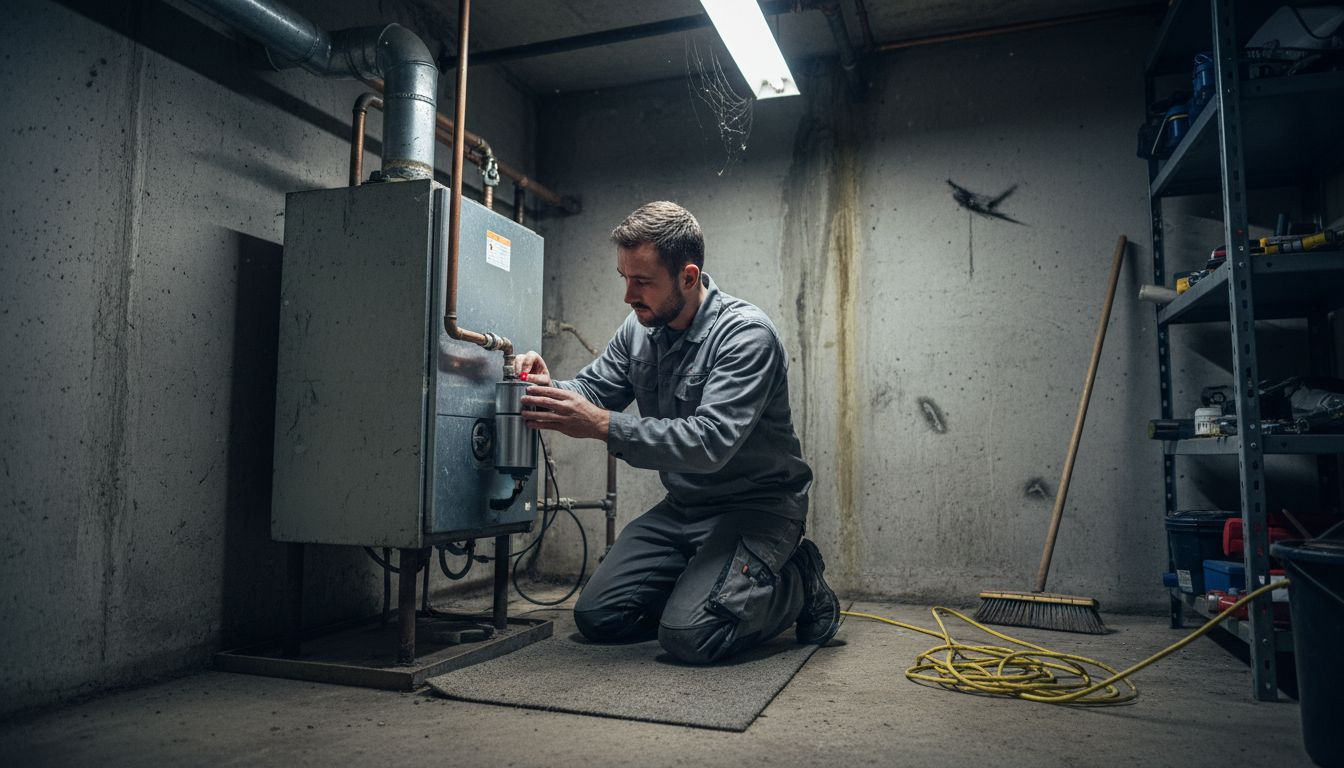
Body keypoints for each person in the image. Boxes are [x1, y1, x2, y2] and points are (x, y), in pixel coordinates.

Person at [516, 201, 839, 665]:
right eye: (624, 278)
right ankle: (709, 588)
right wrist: (550, 388)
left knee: (691, 636)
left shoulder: (746, 337)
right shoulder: (639, 329)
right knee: (599, 618)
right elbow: (593, 390)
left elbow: (708, 444)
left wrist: (602, 426)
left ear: (688, 277)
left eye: (642, 281)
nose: (628, 295)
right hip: (685, 508)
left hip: (758, 507)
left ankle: (799, 580)